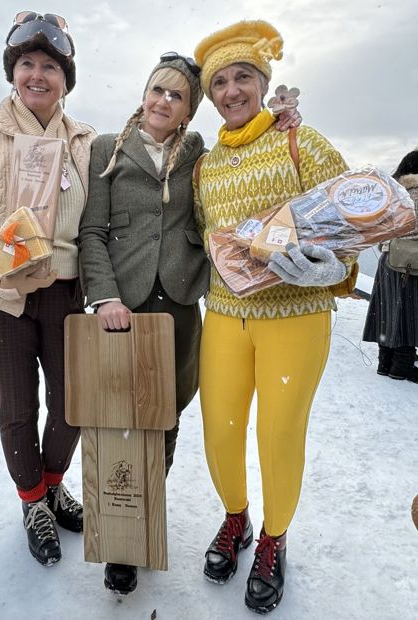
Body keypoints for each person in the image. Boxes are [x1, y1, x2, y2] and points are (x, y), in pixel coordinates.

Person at [79, 50, 300, 596]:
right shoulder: (108, 150)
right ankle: (121, 543)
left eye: (176, 96)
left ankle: (145, 513)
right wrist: (104, 296)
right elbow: (92, 233)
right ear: (144, 93)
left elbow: (246, 149)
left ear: (188, 112)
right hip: (120, 309)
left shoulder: (198, 151)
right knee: (116, 420)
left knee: (166, 417)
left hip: (178, 305)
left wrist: (283, 120)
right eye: (157, 90)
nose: (163, 101)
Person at [193, 20, 356, 613]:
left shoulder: (301, 143)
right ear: (209, 95)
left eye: (243, 77)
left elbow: (352, 220)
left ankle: (272, 539)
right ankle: (235, 519)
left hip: (296, 316)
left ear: (263, 83)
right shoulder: (205, 166)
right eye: (220, 83)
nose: (232, 91)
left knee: (277, 434)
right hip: (226, 316)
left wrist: (330, 268)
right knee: (220, 433)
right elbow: (201, 237)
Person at [0, 12, 96, 566]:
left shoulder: (84, 141)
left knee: (71, 405)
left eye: (51, 67)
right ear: (13, 72)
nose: (38, 75)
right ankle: (32, 500)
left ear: (66, 78)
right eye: (27, 64)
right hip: (2, 296)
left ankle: (54, 482)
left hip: (64, 292)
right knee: (16, 405)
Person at [362, 149, 418, 382]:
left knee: (386, 311)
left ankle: (385, 363)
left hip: (388, 259)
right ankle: (402, 367)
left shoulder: (392, 189)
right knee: (409, 313)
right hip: (412, 262)